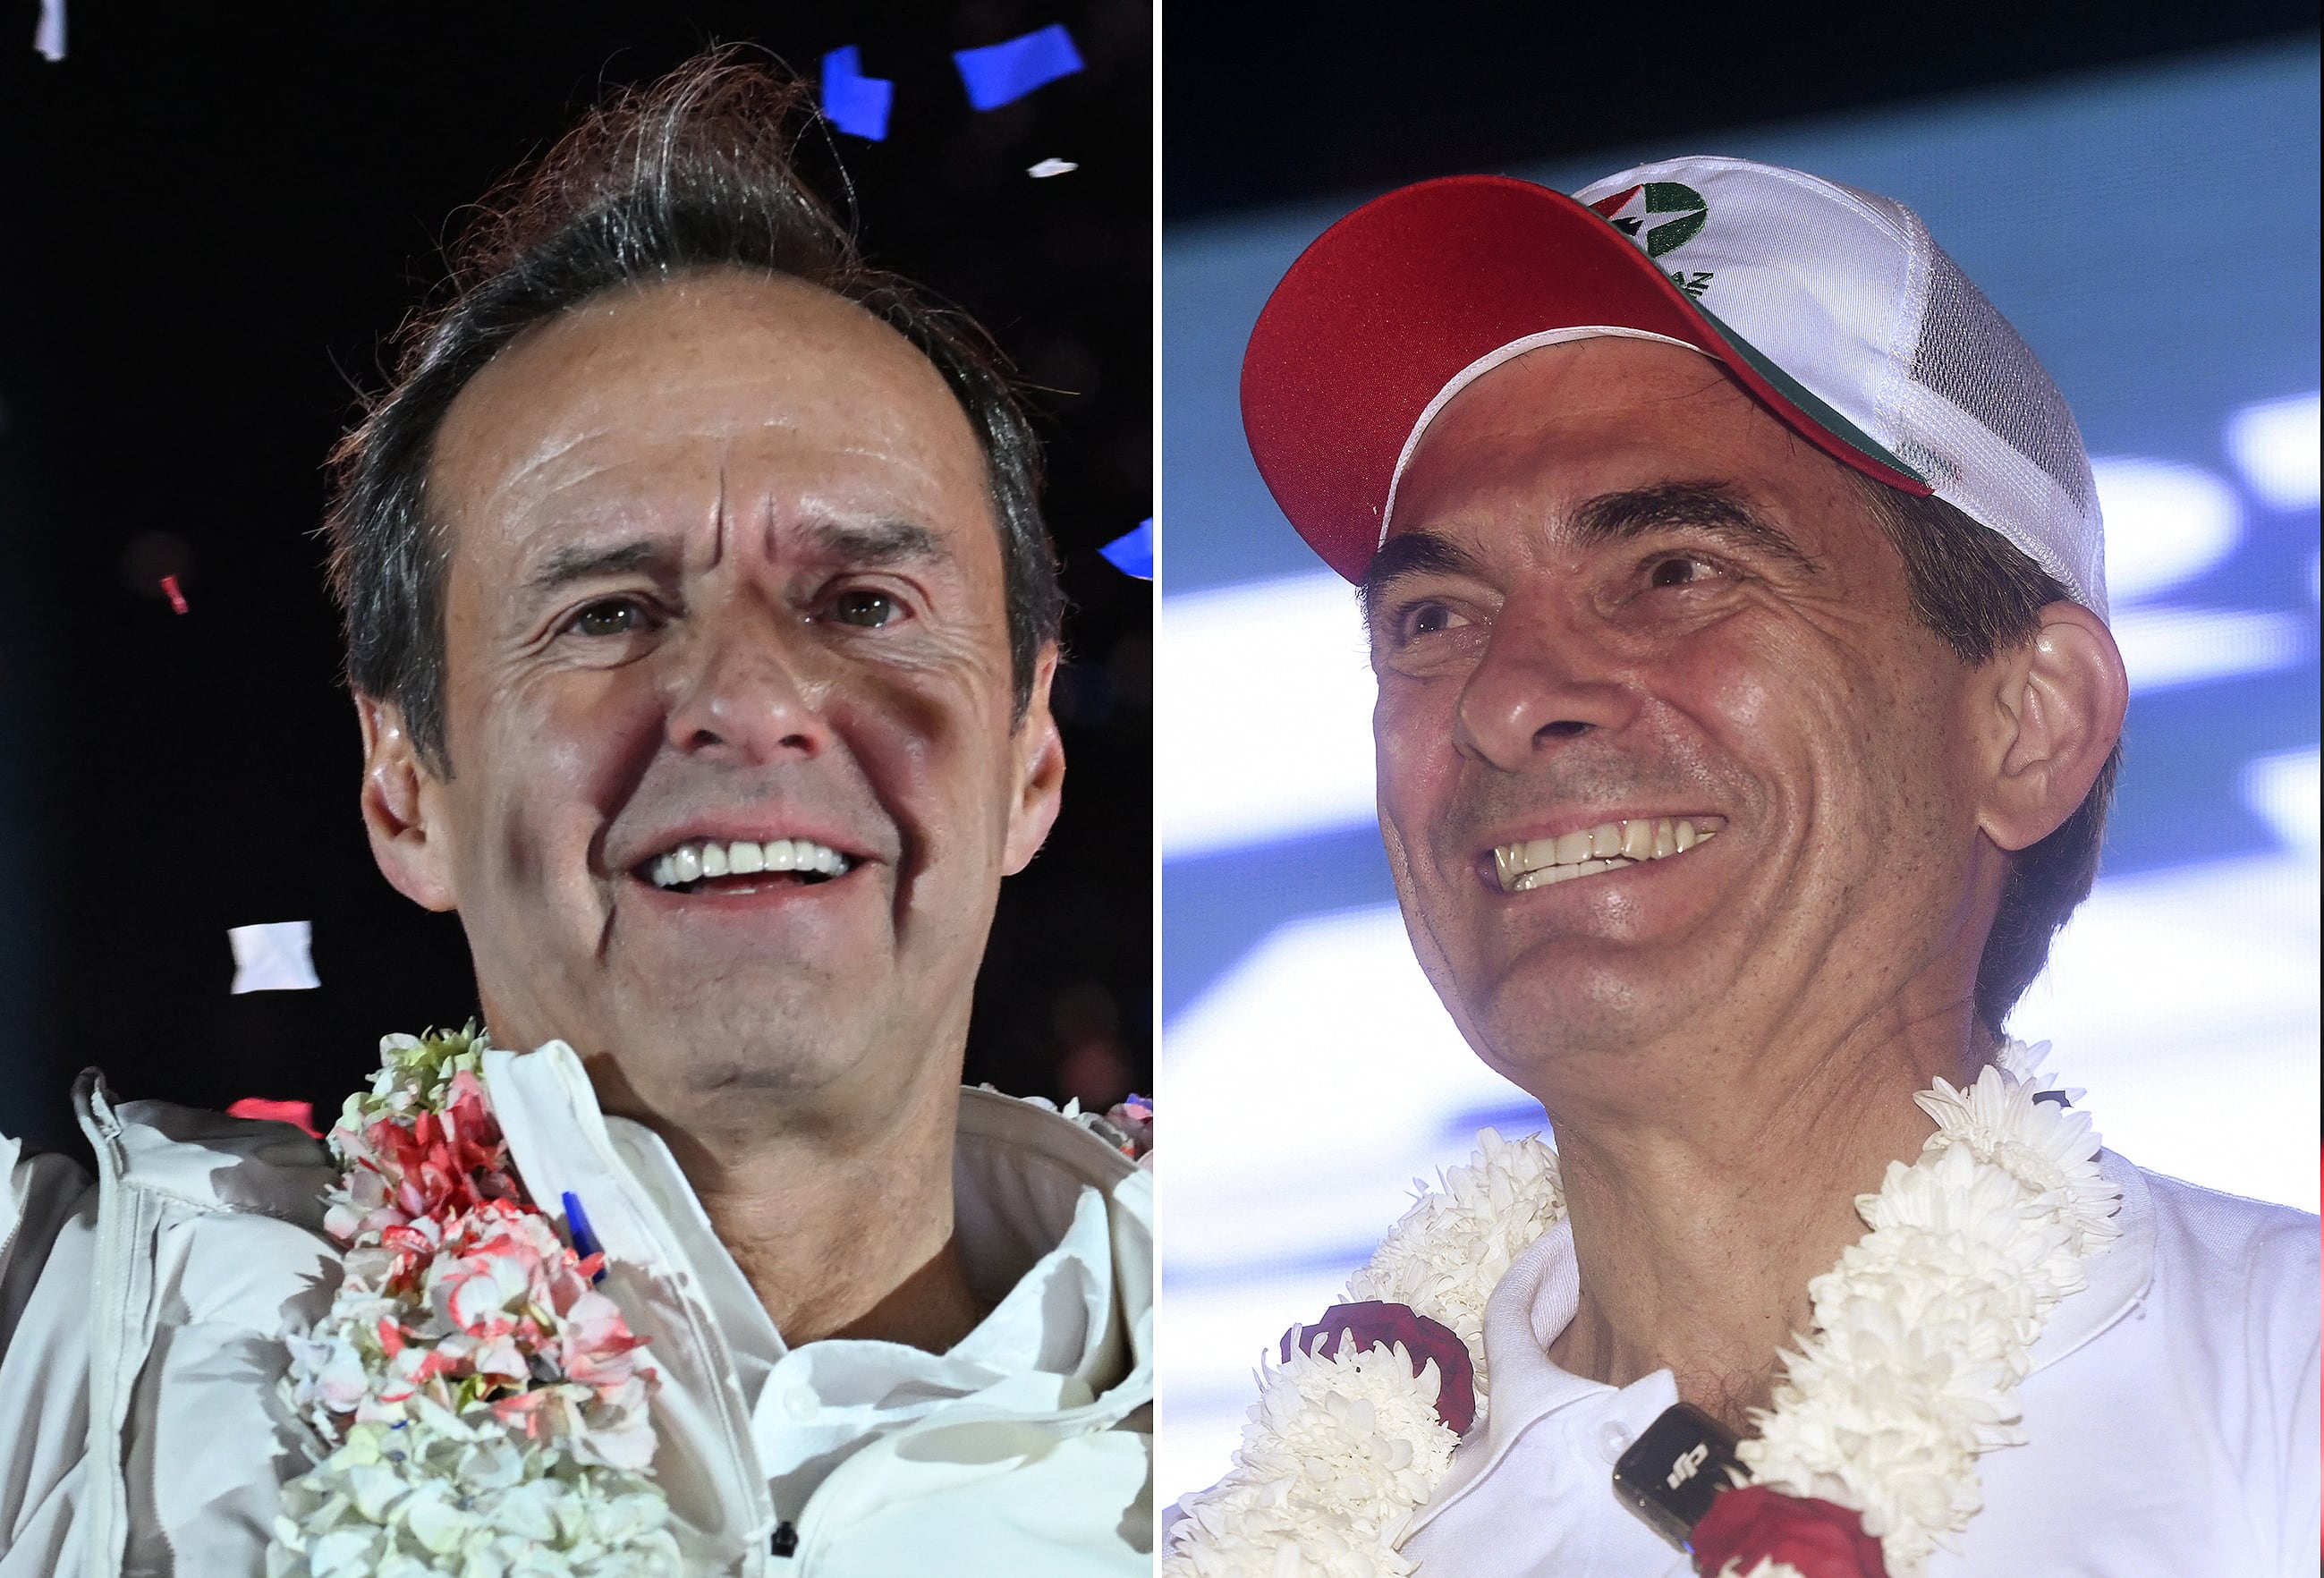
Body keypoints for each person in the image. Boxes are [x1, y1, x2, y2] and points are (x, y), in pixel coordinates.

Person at [0, 55, 1152, 1578]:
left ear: (1029, 765)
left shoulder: (1329, 1422)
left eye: (865, 602)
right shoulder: (77, 1348)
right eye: (608, 612)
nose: (748, 696)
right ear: (404, 786)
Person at [1166, 157, 2316, 1577]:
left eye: (1674, 570)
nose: (1505, 698)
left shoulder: (2285, 1390)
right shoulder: (1248, 1541)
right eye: (1433, 614)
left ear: (2027, 726)